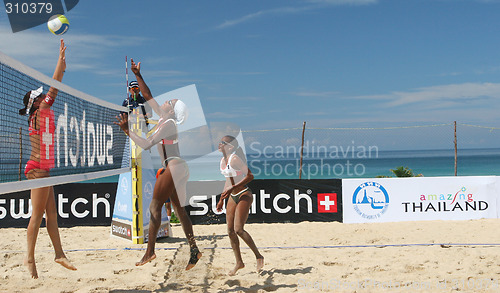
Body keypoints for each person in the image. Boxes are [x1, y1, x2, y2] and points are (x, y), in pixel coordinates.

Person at [115, 58, 202, 270]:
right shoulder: (165, 118)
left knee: (154, 207)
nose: (166, 101)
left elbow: (145, 144)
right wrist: (137, 74)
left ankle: (150, 252)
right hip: (178, 167)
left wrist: (128, 131)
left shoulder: (168, 124)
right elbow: (147, 96)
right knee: (180, 212)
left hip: (173, 165)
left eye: (170, 102)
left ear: (172, 111)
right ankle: (194, 250)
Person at [17, 39, 77, 279]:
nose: (46, 97)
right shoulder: (40, 111)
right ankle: (29, 258)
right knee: (37, 216)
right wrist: (58, 61)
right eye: (41, 97)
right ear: (36, 103)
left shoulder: (43, 112)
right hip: (38, 169)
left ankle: (59, 253)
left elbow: (56, 83)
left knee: (51, 214)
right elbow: (55, 85)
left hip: (43, 168)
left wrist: (63, 62)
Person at [216, 136, 264, 275]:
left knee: (238, 229)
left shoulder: (234, 159)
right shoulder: (222, 161)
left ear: (230, 147)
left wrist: (233, 187)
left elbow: (250, 176)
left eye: (223, 143)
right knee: (230, 230)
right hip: (232, 195)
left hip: (244, 194)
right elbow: (228, 181)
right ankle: (239, 262)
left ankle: (258, 256)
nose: (219, 144)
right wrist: (221, 199)